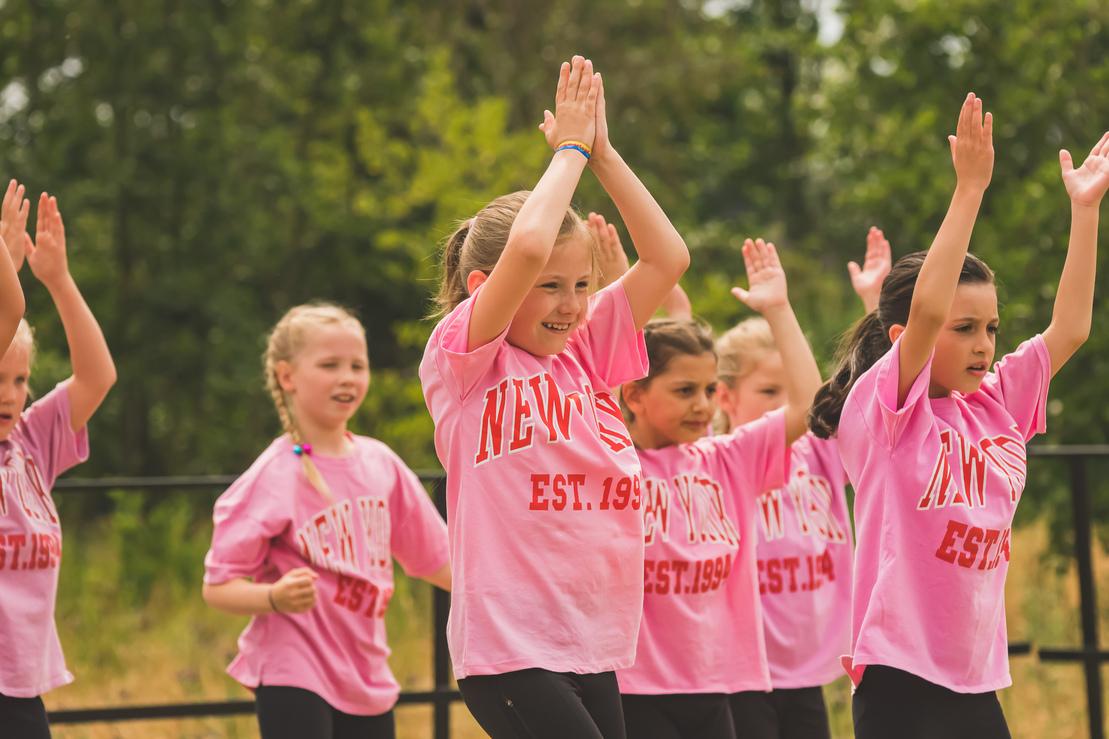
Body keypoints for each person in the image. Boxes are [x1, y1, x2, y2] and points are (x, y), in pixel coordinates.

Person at [809, 94, 1108, 738]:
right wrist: (969, 190)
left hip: (975, 680)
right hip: (900, 679)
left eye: (991, 328)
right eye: (964, 327)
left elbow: (1073, 328)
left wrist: (1085, 211)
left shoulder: (995, 404)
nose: (983, 344)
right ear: (901, 339)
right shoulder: (886, 412)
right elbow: (923, 313)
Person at [420, 54, 688, 738]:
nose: (572, 304)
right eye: (549, 285)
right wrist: (566, 148)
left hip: (589, 637)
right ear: (487, 285)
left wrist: (603, 153)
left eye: (580, 284)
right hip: (509, 647)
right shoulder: (465, 359)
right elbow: (532, 238)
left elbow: (666, 258)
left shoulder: (584, 352)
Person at [203, 303, 450, 739]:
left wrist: (515, 593)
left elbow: (437, 560)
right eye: (330, 365)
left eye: (358, 365)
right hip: (293, 672)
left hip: (367, 674)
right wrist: (274, 597)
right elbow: (218, 587)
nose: (347, 377)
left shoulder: (382, 464)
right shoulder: (274, 474)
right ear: (287, 377)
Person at [615, 238, 821, 739]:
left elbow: (807, 405)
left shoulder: (728, 459)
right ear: (635, 395)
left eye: (709, 390)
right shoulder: (612, 466)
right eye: (684, 391)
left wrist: (777, 309)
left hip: (715, 684)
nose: (703, 406)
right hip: (632, 690)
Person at [715, 227, 890, 739]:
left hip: (807, 672)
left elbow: (855, 398)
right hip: (740, 670)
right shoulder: (720, 458)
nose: (783, 404)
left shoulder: (819, 451)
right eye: (768, 391)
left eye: (785, 390)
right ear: (725, 398)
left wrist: (880, 308)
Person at [0, 189, 114, 739]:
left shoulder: (30, 441)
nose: (10, 393)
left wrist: (59, 280)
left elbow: (96, 378)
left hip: (21, 685)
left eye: (20, 380)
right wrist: (6, 278)